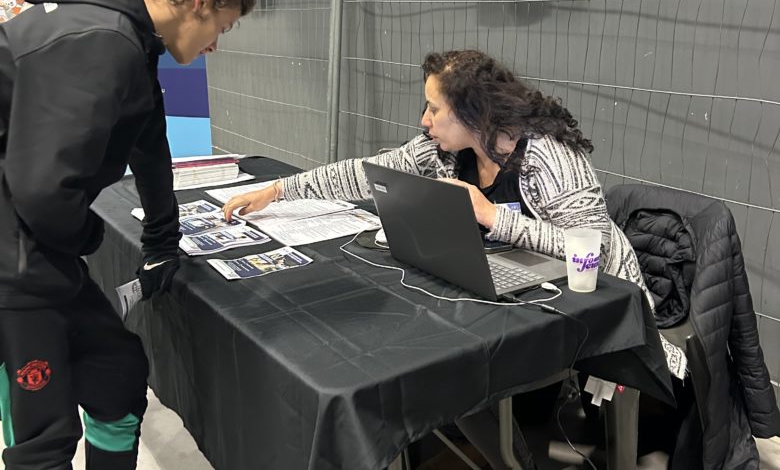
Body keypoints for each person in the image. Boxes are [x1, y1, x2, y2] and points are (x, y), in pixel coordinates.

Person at [223, 49, 686, 468]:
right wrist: (280, 189)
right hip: (509, 290)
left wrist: (490, 217)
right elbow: (363, 176)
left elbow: (593, 249)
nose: (425, 120)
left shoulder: (547, 155)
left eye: (434, 108)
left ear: (472, 112)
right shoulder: (441, 152)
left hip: (589, 305)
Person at [0, 0, 255, 469]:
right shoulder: (99, 37)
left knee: (116, 373)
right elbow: (43, 190)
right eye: (221, 28)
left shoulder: (129, 38)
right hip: (12, 253)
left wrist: (163, 241)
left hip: (36, 240)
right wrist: (89, 238)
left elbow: (149, 142)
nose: (215, 46)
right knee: (43, 434)